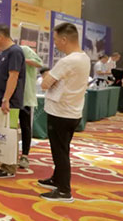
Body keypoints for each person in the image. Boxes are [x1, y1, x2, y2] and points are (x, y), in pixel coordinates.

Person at [38, 22, 90, 202]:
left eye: (55, 40)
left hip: (60, 112)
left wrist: (46, 76)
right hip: (72, 111)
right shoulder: (84, 58)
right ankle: (57, 179)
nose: (54, 44)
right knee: (63, 149)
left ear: (64, 39)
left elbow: (45, 84)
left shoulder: (67, 61)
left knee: (59, 152)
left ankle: (64, 191)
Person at [0, 24, 26, 179]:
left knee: (8, 134)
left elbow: (13, 76)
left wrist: (6, 99)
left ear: (0, 36)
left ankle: (9, 167)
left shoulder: (15, 52)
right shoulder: (5, 52)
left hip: (9, 103)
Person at [19, 45, 43, 169]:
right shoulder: (4, 53)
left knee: (25, 127)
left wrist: (23, 60)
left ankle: (25, 155)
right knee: (9, 127)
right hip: (11, 98)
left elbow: (39, 63)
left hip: (25, 98)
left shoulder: (24, 49)